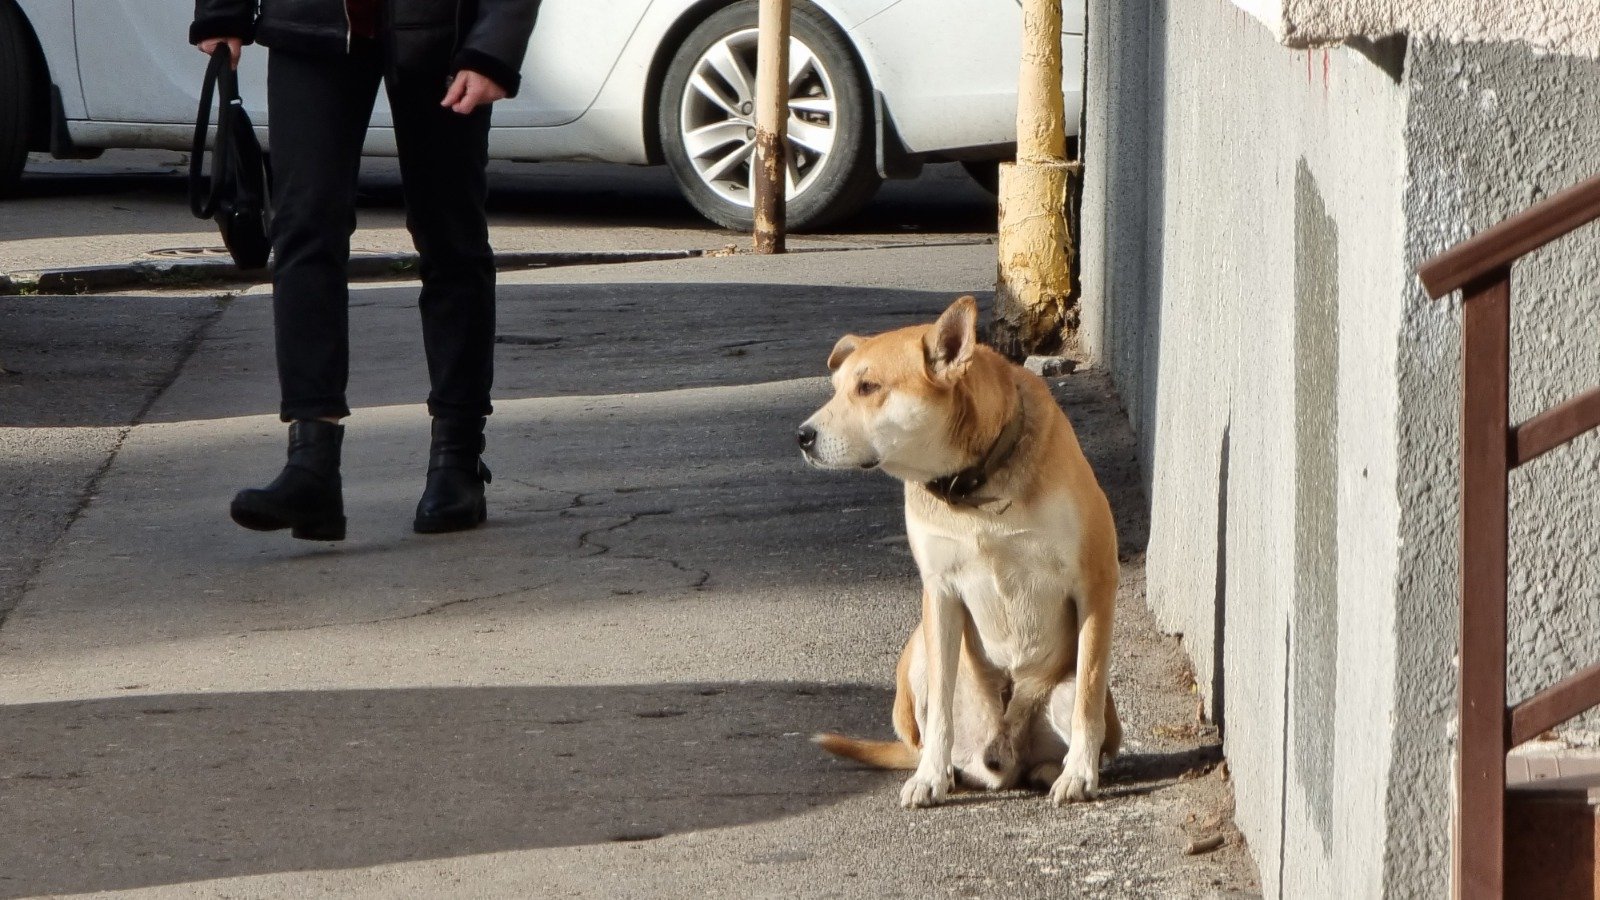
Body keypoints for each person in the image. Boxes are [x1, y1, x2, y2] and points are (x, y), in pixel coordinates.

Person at [189, 0, 538, 540]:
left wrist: (494, 45)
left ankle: (458, 459)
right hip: (310, 21)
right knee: (303, 228)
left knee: (450, 237)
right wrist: (222, 10)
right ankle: (312, 463)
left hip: (443, 31)